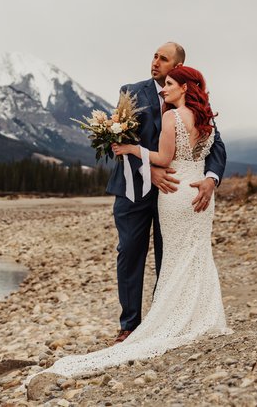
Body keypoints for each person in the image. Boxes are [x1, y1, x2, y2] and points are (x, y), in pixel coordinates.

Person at [33, 65, 231, 379]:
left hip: (176, 192)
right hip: (198, 197)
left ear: (183, 86)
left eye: (169, 84)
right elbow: (205, 150)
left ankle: (170, 320)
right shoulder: (205, 117)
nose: (163, 89)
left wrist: (130, 149)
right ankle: (202, 317)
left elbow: (165, 159)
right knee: (195, 254)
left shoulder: (171, 116)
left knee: (178, 256)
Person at [106, 42, 227, 343]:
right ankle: (129, 325)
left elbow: (217, 147)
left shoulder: (194, 106)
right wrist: (150, 169)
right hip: (134, 190)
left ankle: (168, 317)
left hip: (176, 194)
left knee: (170, 254)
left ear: (177, 68)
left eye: (164, 59)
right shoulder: (131, 92)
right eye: (154, 56)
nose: (155, 62)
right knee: (129, 253)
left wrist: (211, 179)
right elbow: (117, 142)